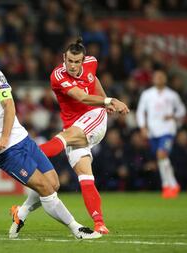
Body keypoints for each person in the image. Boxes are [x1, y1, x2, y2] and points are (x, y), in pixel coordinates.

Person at [0, 45, 101, 240]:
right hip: (6, 153)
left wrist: (5, 135)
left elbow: (9, 105)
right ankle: (76, 229)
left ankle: (20, 213)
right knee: (45, 189)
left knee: (53, 184)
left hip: (23, 139)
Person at [29, 38, 130, 235]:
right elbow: (81, 96)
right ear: (63, 58)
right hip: (75, 126)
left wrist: (103, 102)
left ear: (83, 61)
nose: (73, 66)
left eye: (77, 62)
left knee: (63, 138)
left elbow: (94, 80)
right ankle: (99, 222)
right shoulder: (57, 76)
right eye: (70, 61)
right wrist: (110, 100)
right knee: (85, 177)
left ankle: (25, 154)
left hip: (93, 117)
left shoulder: (92, 62)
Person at [136, 69, 186, 198]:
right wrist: (142, 127)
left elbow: (182, 110)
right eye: (156, 76)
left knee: (161, 154)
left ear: (165, 79)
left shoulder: (172, 95)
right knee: (162, 158)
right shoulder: (147, 94)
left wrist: (173, 116)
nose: (159, 78)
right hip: (153, 131)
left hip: (168, 130)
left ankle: (166, 185)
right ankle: (173, 185)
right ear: (153, 79)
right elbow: (140, 111)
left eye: (161, 76)